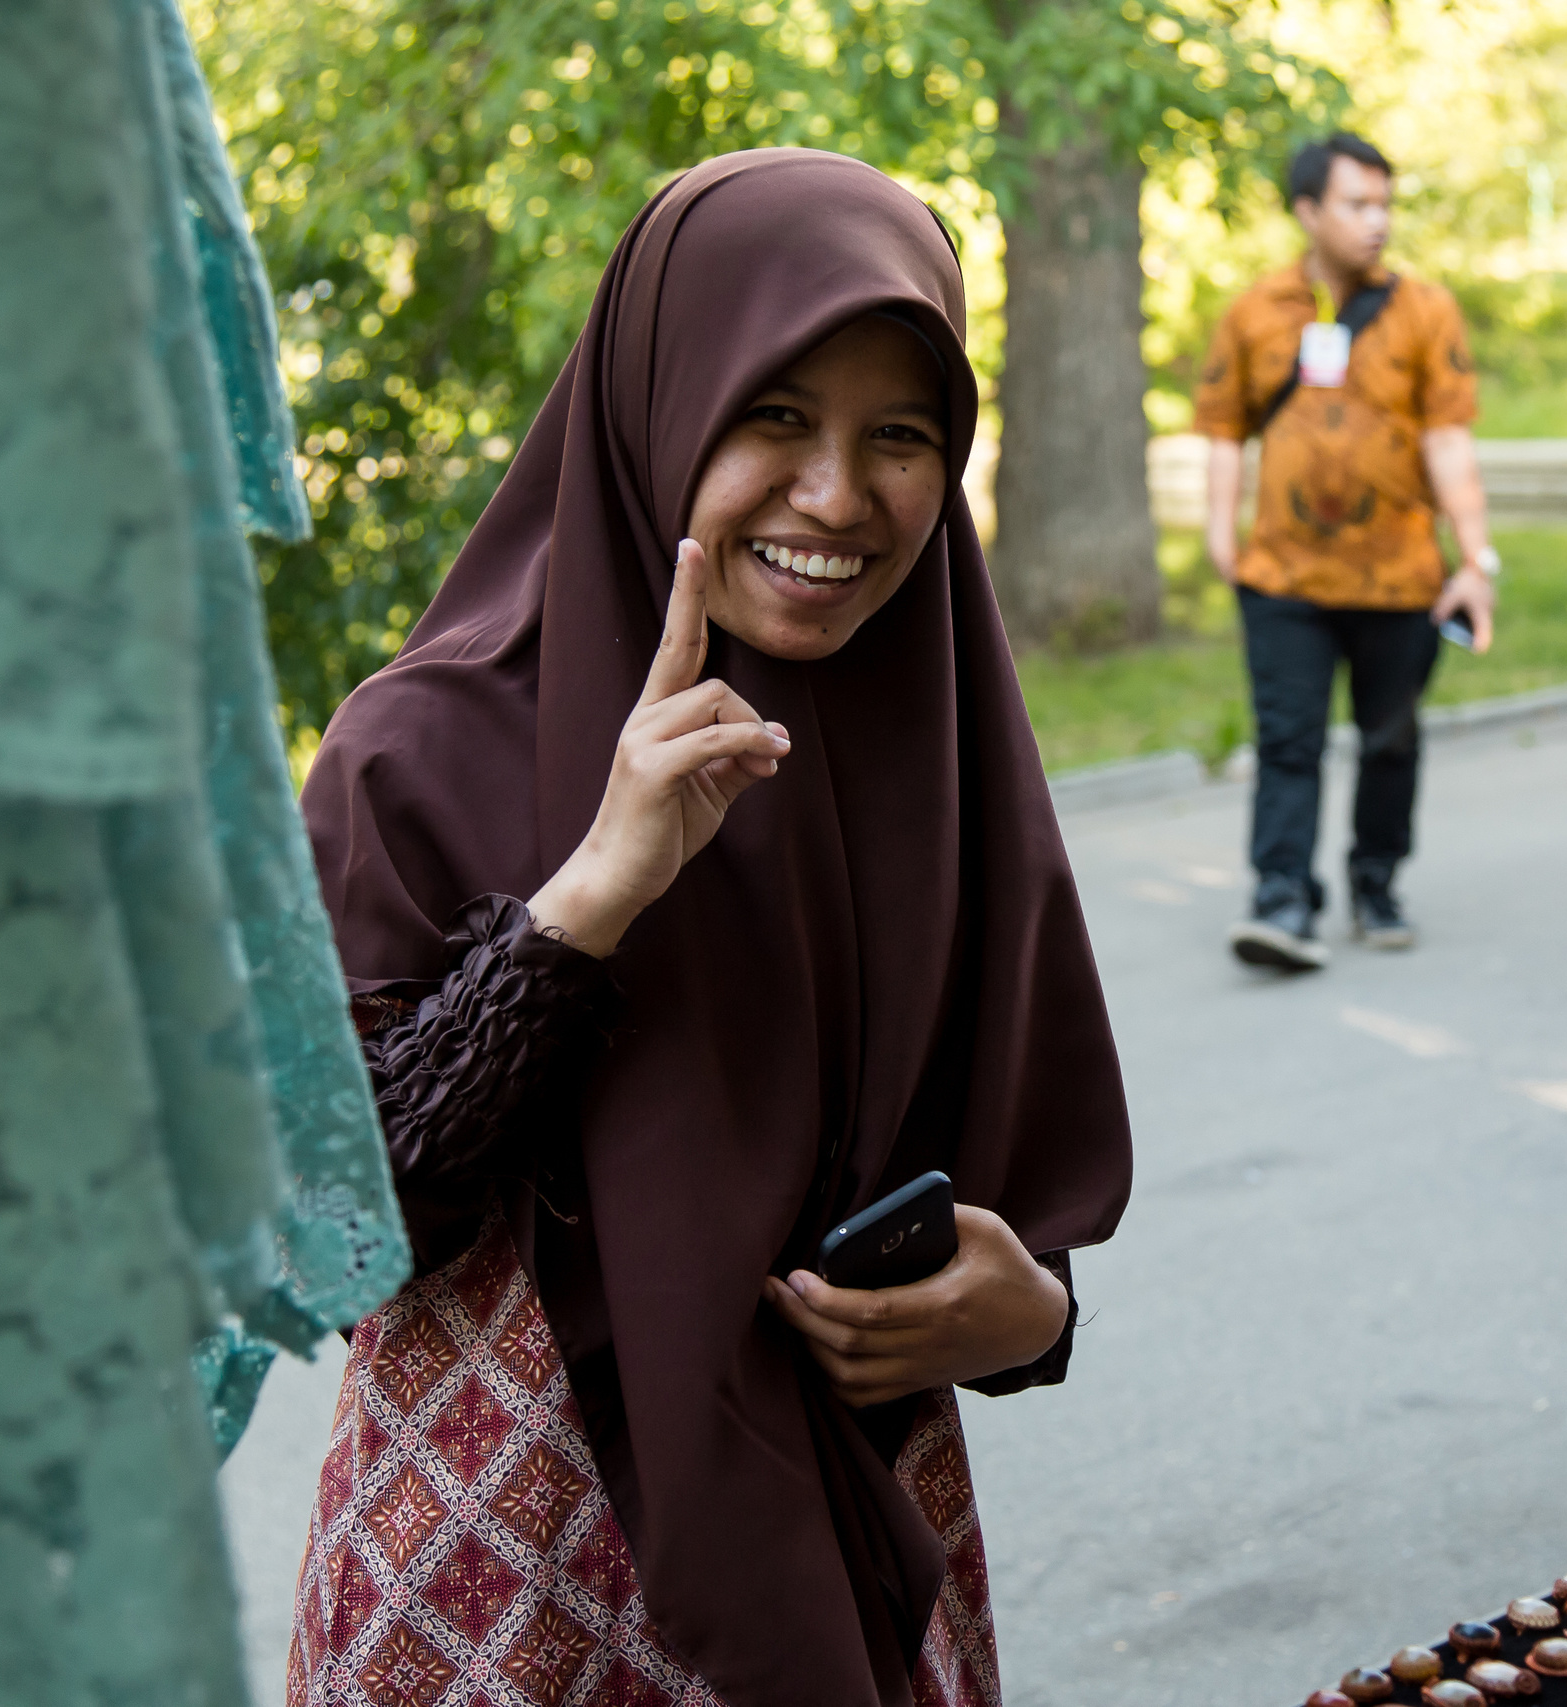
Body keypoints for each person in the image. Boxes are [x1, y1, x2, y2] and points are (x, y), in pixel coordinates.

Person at [286, 151, 1133, 1707]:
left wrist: (1031, 1314)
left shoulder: (932, 749)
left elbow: (1002, 1218)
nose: (837, 495)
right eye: (774, 414)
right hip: (512, 1573)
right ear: (662, 400)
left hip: (851, 1547)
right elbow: (332, 1232)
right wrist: (592, 894)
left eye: (902, 437)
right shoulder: (422, 747)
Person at [1195, 131, 1497, 969]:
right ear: (1307, 210)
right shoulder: (1255, 310)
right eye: (1358, 204)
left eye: (1385, 205)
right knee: (1288, 740)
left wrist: (1476, 557)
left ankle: (1376, 879)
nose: (1378, 222)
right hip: (1284, 577)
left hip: (1403, 577)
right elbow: (1223, 432)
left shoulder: (1425, 310)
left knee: (1390, 738)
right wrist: (1220, 533)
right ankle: (1282, 898)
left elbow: (1448, 440)